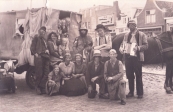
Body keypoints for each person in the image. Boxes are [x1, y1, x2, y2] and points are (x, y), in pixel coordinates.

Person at [119, 20, 148, 99]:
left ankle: (140, 93)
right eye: (129, 25)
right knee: (129, 75)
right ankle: (131, 92)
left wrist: (138, 48)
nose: (131, 27)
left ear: (135, 25)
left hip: (137, 58)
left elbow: (146, 46)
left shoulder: (142, 34)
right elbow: (123, 44)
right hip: (128, 57)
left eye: (132, 25)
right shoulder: (126, 35)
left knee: (138, 75)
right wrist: (121, 48)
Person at [30, 26, 50, 95]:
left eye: (44, 31)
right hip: (39, 57)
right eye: (41, 31)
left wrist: (47, 50)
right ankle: (37, 87)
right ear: (39, 31)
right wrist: (36, 54)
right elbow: (32, 47)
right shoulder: (36, 37)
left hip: (45, 57)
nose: (42, 32)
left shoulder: (45, 39)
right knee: (39, 73)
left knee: (46, 72)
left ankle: (42, 86)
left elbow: (45, 47)